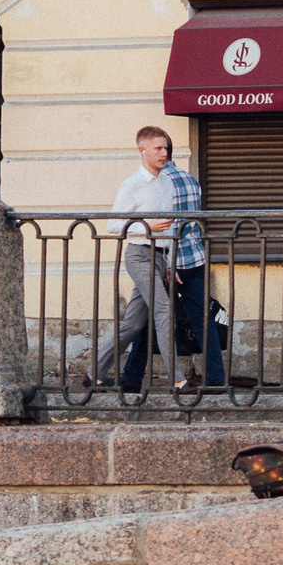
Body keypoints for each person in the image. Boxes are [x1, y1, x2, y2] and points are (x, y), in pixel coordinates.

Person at [94, 125, 225, 392]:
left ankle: (119, 377)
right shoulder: (184, 180)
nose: (162, 153)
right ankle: (207, 380)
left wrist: (169, 260)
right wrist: (149, 230)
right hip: (177, 258)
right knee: (189, 319)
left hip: (168, 259)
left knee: (142, 322)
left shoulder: (167, 182)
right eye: (158, 149)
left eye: (165, 148)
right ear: (144, 152)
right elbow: (118, 224)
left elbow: (172, 227)